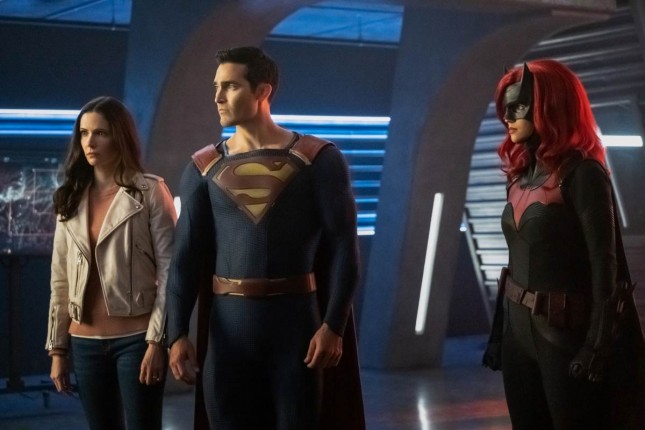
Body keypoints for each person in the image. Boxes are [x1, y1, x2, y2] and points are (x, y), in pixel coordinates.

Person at [166, 46, 364, 430]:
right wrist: (176, 334)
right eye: (216, 87)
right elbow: (186, 257)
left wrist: (333, 325)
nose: (218, 97)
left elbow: (343, 246)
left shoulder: (317, 159)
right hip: (227, 337)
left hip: (296, 332)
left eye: (230, 86)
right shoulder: (203, 168)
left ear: (262, 91)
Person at [482, 59, 645, 429]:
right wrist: (499, 335)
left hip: (564, 336)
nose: (508, 116)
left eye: (519, 106)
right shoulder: (519, 177)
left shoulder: (584, 174)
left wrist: (597, 346)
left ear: (550, 105)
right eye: (506, 106)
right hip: (518, 336)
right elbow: (514, 266)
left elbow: (607, 270)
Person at [45, 96, 177, 430]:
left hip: (137, 339)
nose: (89, 142)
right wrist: (57, 350)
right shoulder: (69, 197)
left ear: (119, 137)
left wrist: (157, 342)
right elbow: (60, 279)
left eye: (100, 133)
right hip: (84, 342)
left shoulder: (150, 191)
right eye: (84, 133)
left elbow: (170, 272)